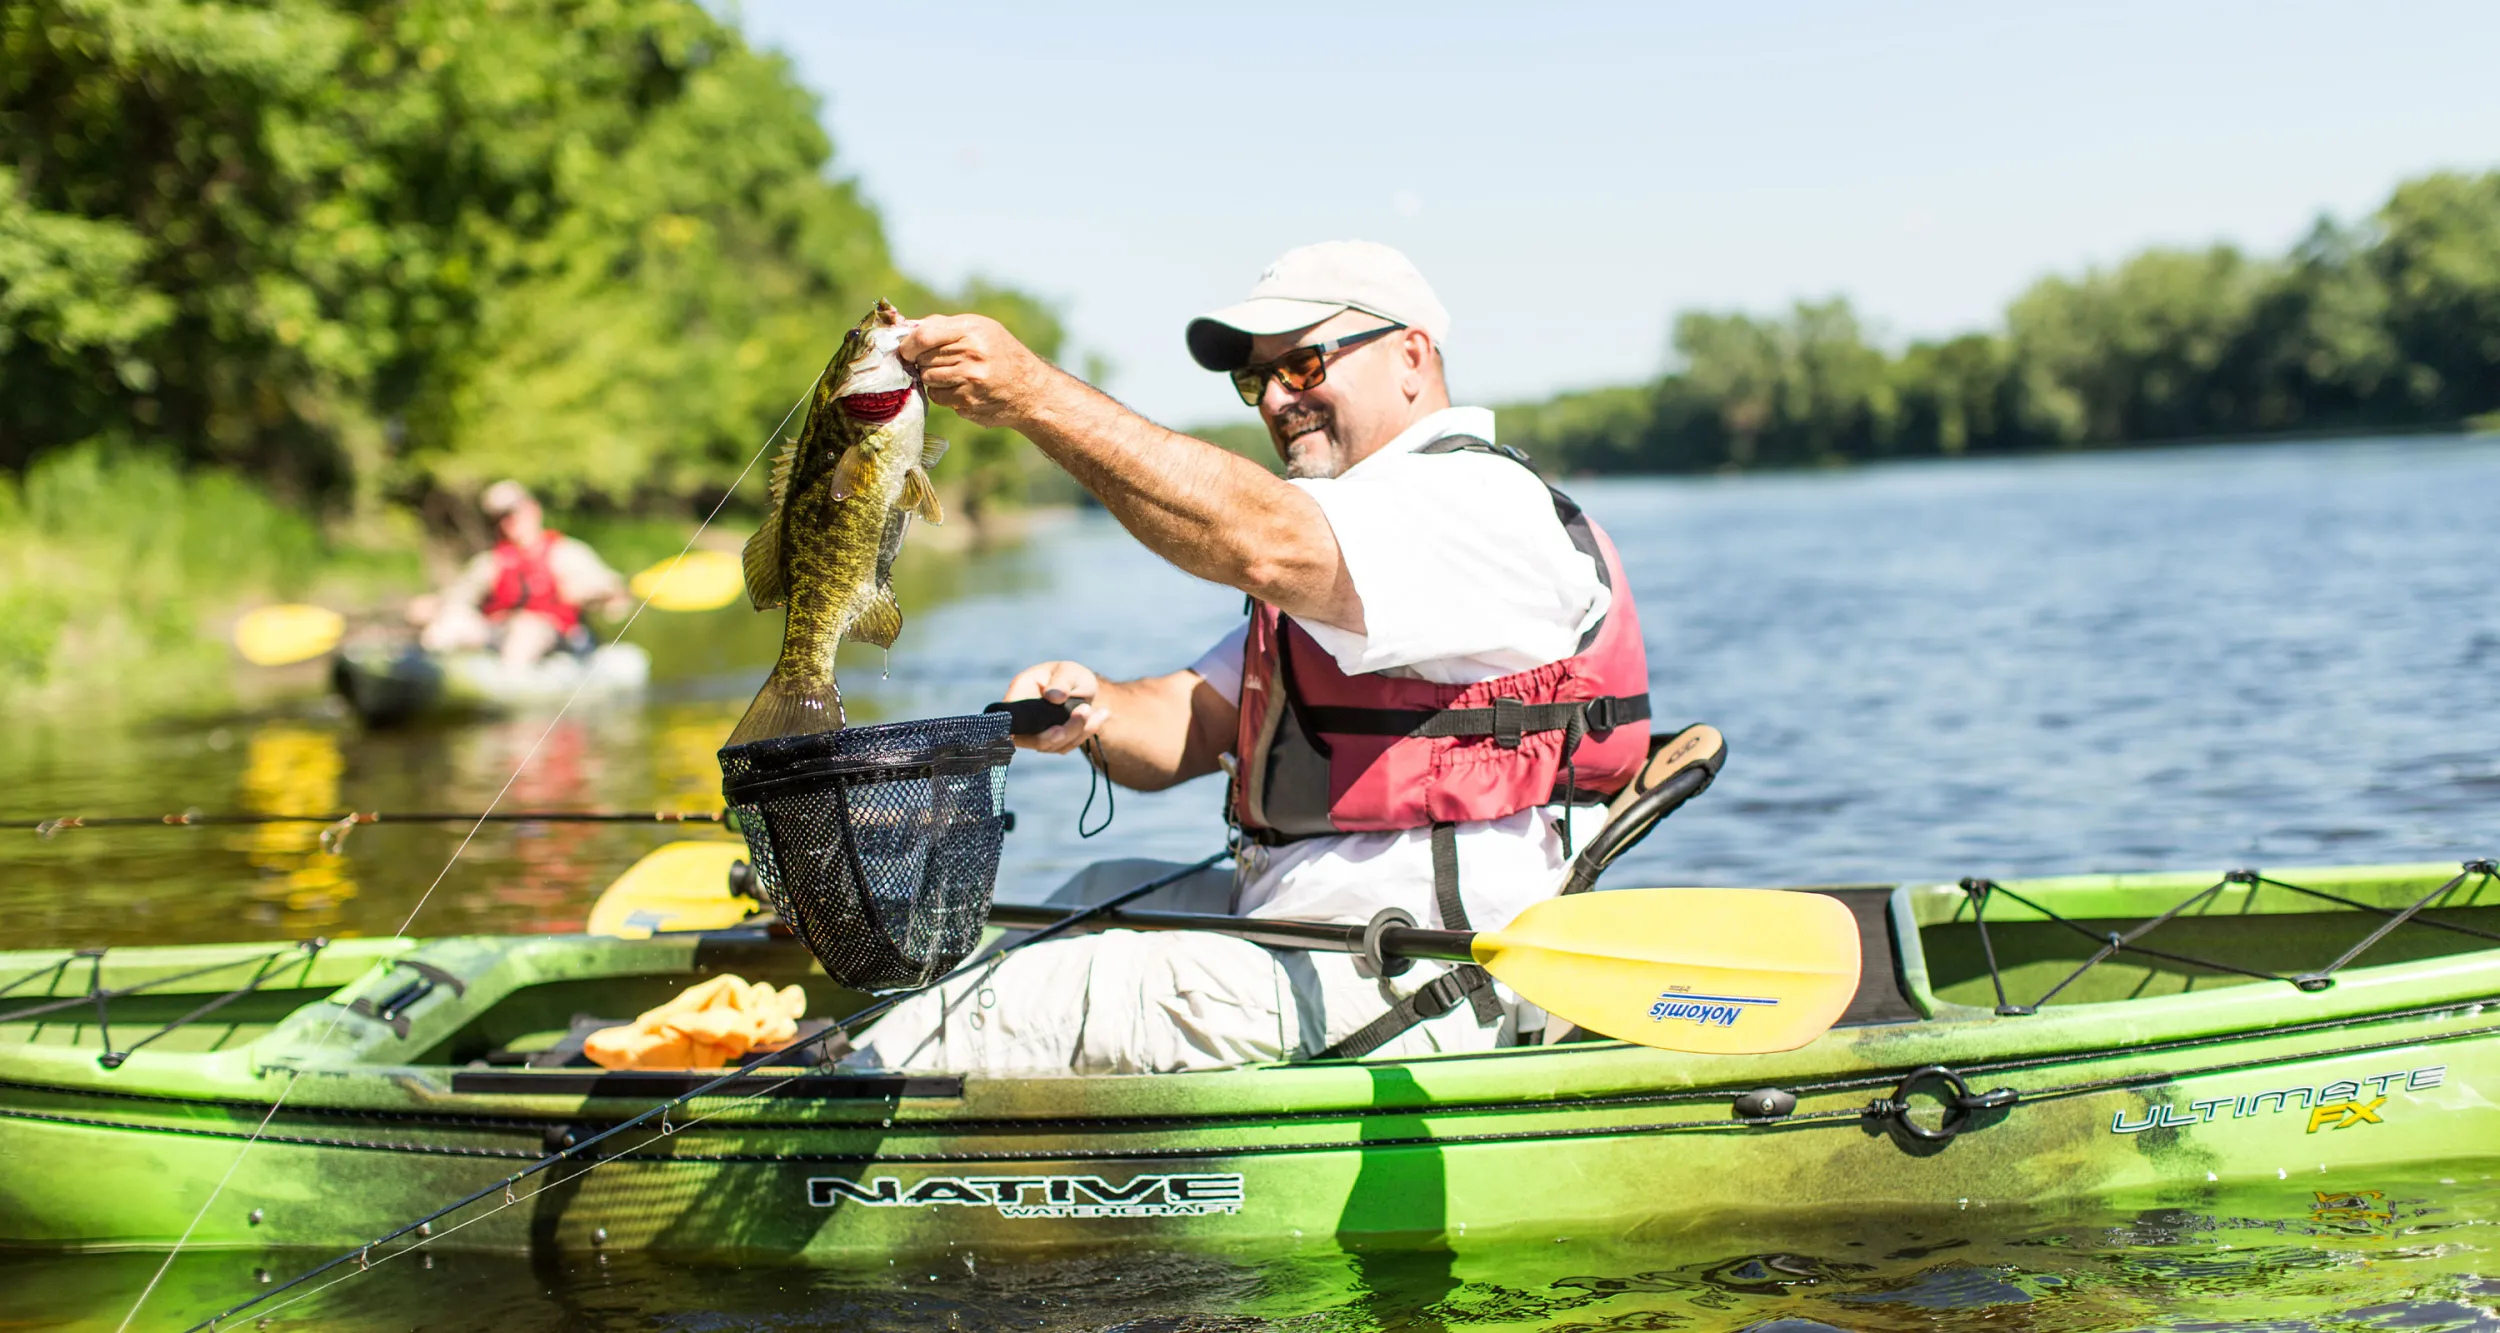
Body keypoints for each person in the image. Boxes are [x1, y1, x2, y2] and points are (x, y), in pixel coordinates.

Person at [855, 242, 1653, 1073]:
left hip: (1428, 979)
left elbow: (1263, 540)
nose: (1275, 398)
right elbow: (1195, 723)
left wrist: (1032, 396)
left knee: (1011, 1005)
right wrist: (1097, 709)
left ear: (1412, 356)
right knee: (1084, 896)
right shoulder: (1364, 534)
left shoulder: (1476, 508)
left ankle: (844, 1112)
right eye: (1255, 379)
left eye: (1304, 364)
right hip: (1315, 937)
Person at [406, 480, 630, 669]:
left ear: (532, 509)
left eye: (513, 513)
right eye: (500, 517)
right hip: (500, 631)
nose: (508, 522)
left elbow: (616, 604)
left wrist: (600, 595)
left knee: (527, 628)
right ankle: (421, 676)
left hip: (552, 637)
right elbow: (458, 597)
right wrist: (435, 606)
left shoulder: (567, 554)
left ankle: (508, 690)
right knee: (451, 623)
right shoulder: (491, 562)